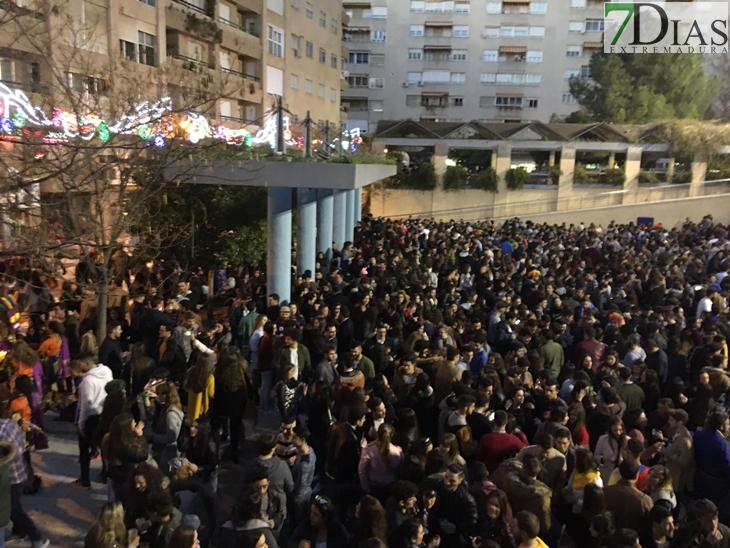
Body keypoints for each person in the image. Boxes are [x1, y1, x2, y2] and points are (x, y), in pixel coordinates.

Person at [0, 416, 49, 548]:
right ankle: (19, 530)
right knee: (13, 506)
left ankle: (38, 537)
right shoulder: (9, 423)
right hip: (20, 471)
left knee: (13, 509)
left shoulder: (1, 434)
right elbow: (22, 446)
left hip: (10, 477)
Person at [74, 351, 114, 488]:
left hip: (91, 418)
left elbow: (86, 405)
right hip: (106, 414)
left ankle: (85, 479)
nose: (78, 367)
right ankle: (105, 473)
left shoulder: (88, 381)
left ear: (86, 363)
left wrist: (81, 424)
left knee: (84, 449)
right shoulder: (107, 371)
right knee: (104, 447)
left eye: (79, 364)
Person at [428, 464, 478, 548]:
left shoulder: (467, 500)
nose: (447, 482)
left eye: (452, 480)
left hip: (453, 539)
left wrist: (457, 528)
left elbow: (472, 520)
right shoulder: (437, 487)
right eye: (446, 477)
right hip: (435, 530)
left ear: (460, 480)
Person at [105, 412, 149, 502]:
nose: (135, 426)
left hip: (115, 476)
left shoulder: (112, 438)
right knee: (124, 503)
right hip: (123, 479)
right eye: (133, 425)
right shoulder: (123, 447)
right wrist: (140, 436)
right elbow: (142, 455)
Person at [603, 460, 653, 532]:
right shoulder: (644, 500)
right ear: (637, 475)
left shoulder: (604, 492)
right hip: (631, 538)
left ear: (620, 473)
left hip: (607, 536)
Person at [144, 381, 184, 471]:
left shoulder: (171, 414)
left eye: (159, 394)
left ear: (165, 395)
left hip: (168, 453)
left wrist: (153, 437)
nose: (157, 396)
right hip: (164, 451)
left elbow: (171, 437)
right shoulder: (168, 407)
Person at [359, 423, 403, 500]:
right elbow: (400, 470)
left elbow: (362, 471)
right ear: (392, 435)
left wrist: (366, 489)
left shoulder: (368, 450)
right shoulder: (398, 451)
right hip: (391, 488)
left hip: (374, 488)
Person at [291, 424, 316, 522]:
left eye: (294, 438)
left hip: (300, 498)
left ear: (302, 440)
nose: (292, 440)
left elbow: (301, 485)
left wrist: (295, 500)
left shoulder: (304, 464)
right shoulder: (309, 450)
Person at [185, 354, 215, 422]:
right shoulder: (210, 378)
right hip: (202, 408)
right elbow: (211, 393)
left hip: (191, 404)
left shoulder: (191, 371)